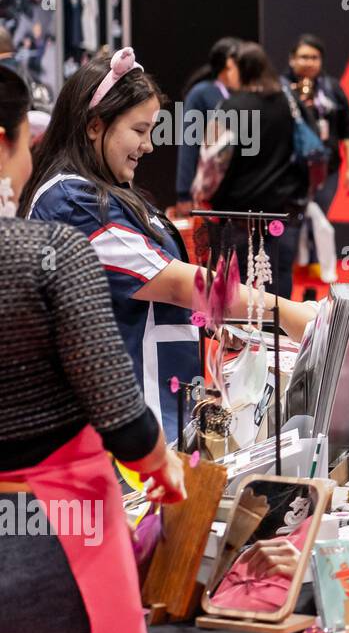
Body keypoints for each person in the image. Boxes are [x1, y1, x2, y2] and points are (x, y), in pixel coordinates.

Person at [0, 62, 185, 633]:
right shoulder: (50, 248)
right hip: (56, 528)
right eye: (26, 142)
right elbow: (118, 410)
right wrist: (161, 464)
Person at [21, 48, 315, 442]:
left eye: (152, 131)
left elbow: (144, 295)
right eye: (139, 130)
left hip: (150, 415)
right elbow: (176, 283)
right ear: (94, 126)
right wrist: (288, 313)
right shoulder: (73, 203)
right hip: (119, 430)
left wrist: (212, 321)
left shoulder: (100, 192)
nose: (148, 145)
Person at [208, 41, 311, 298]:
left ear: (241, 69)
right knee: (278, 280)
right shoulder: (289, 103)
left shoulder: (231, 106)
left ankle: (239, 326)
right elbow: (313, 147)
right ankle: (280, 324)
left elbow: (213, 162)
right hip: (281, 210)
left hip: (236, 213)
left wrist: (201, 196)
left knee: (236, 283)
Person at [285, 33, 349, 208]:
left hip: (327, 169)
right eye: (304, 57)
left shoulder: (331, 88)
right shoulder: (281, 88)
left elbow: (348, 130)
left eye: (315, 58)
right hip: (290, 170)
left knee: (319, 217)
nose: (310, 62)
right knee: (290, 219)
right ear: (292, 59)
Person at [173, 36, 241, 218]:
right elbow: (188, 142)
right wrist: (183, 193)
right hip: (208, 190)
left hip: (237, 188)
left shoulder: (245, 94)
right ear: (225, 65)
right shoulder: (201, 93)